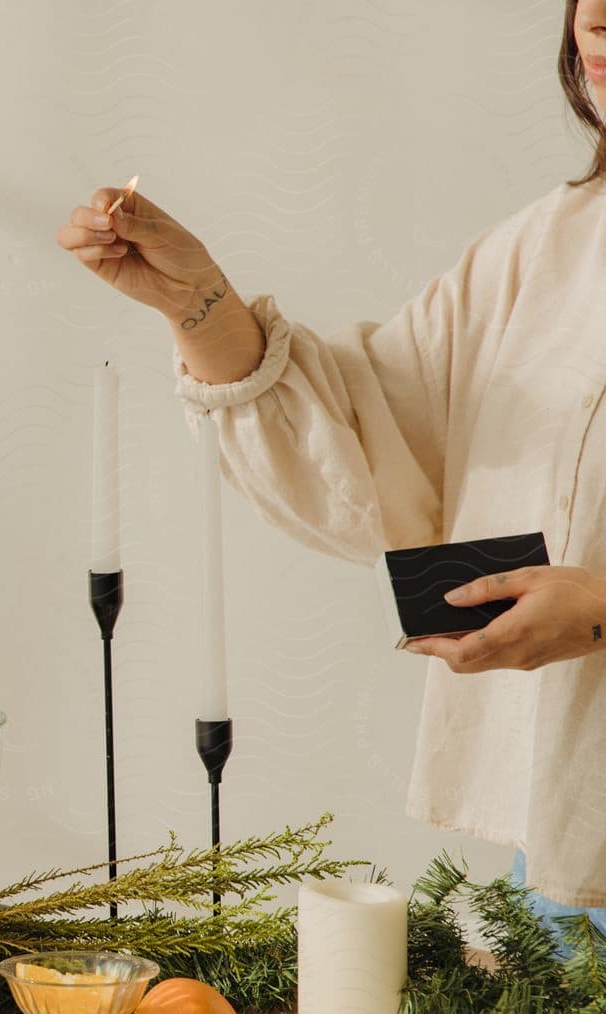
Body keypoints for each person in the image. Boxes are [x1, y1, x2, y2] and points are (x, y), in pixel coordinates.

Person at [56, 0, 606, 929]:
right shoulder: (547, 251)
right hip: (571, 845)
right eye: (600, 21)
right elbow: (366, 425)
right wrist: (199, 304)